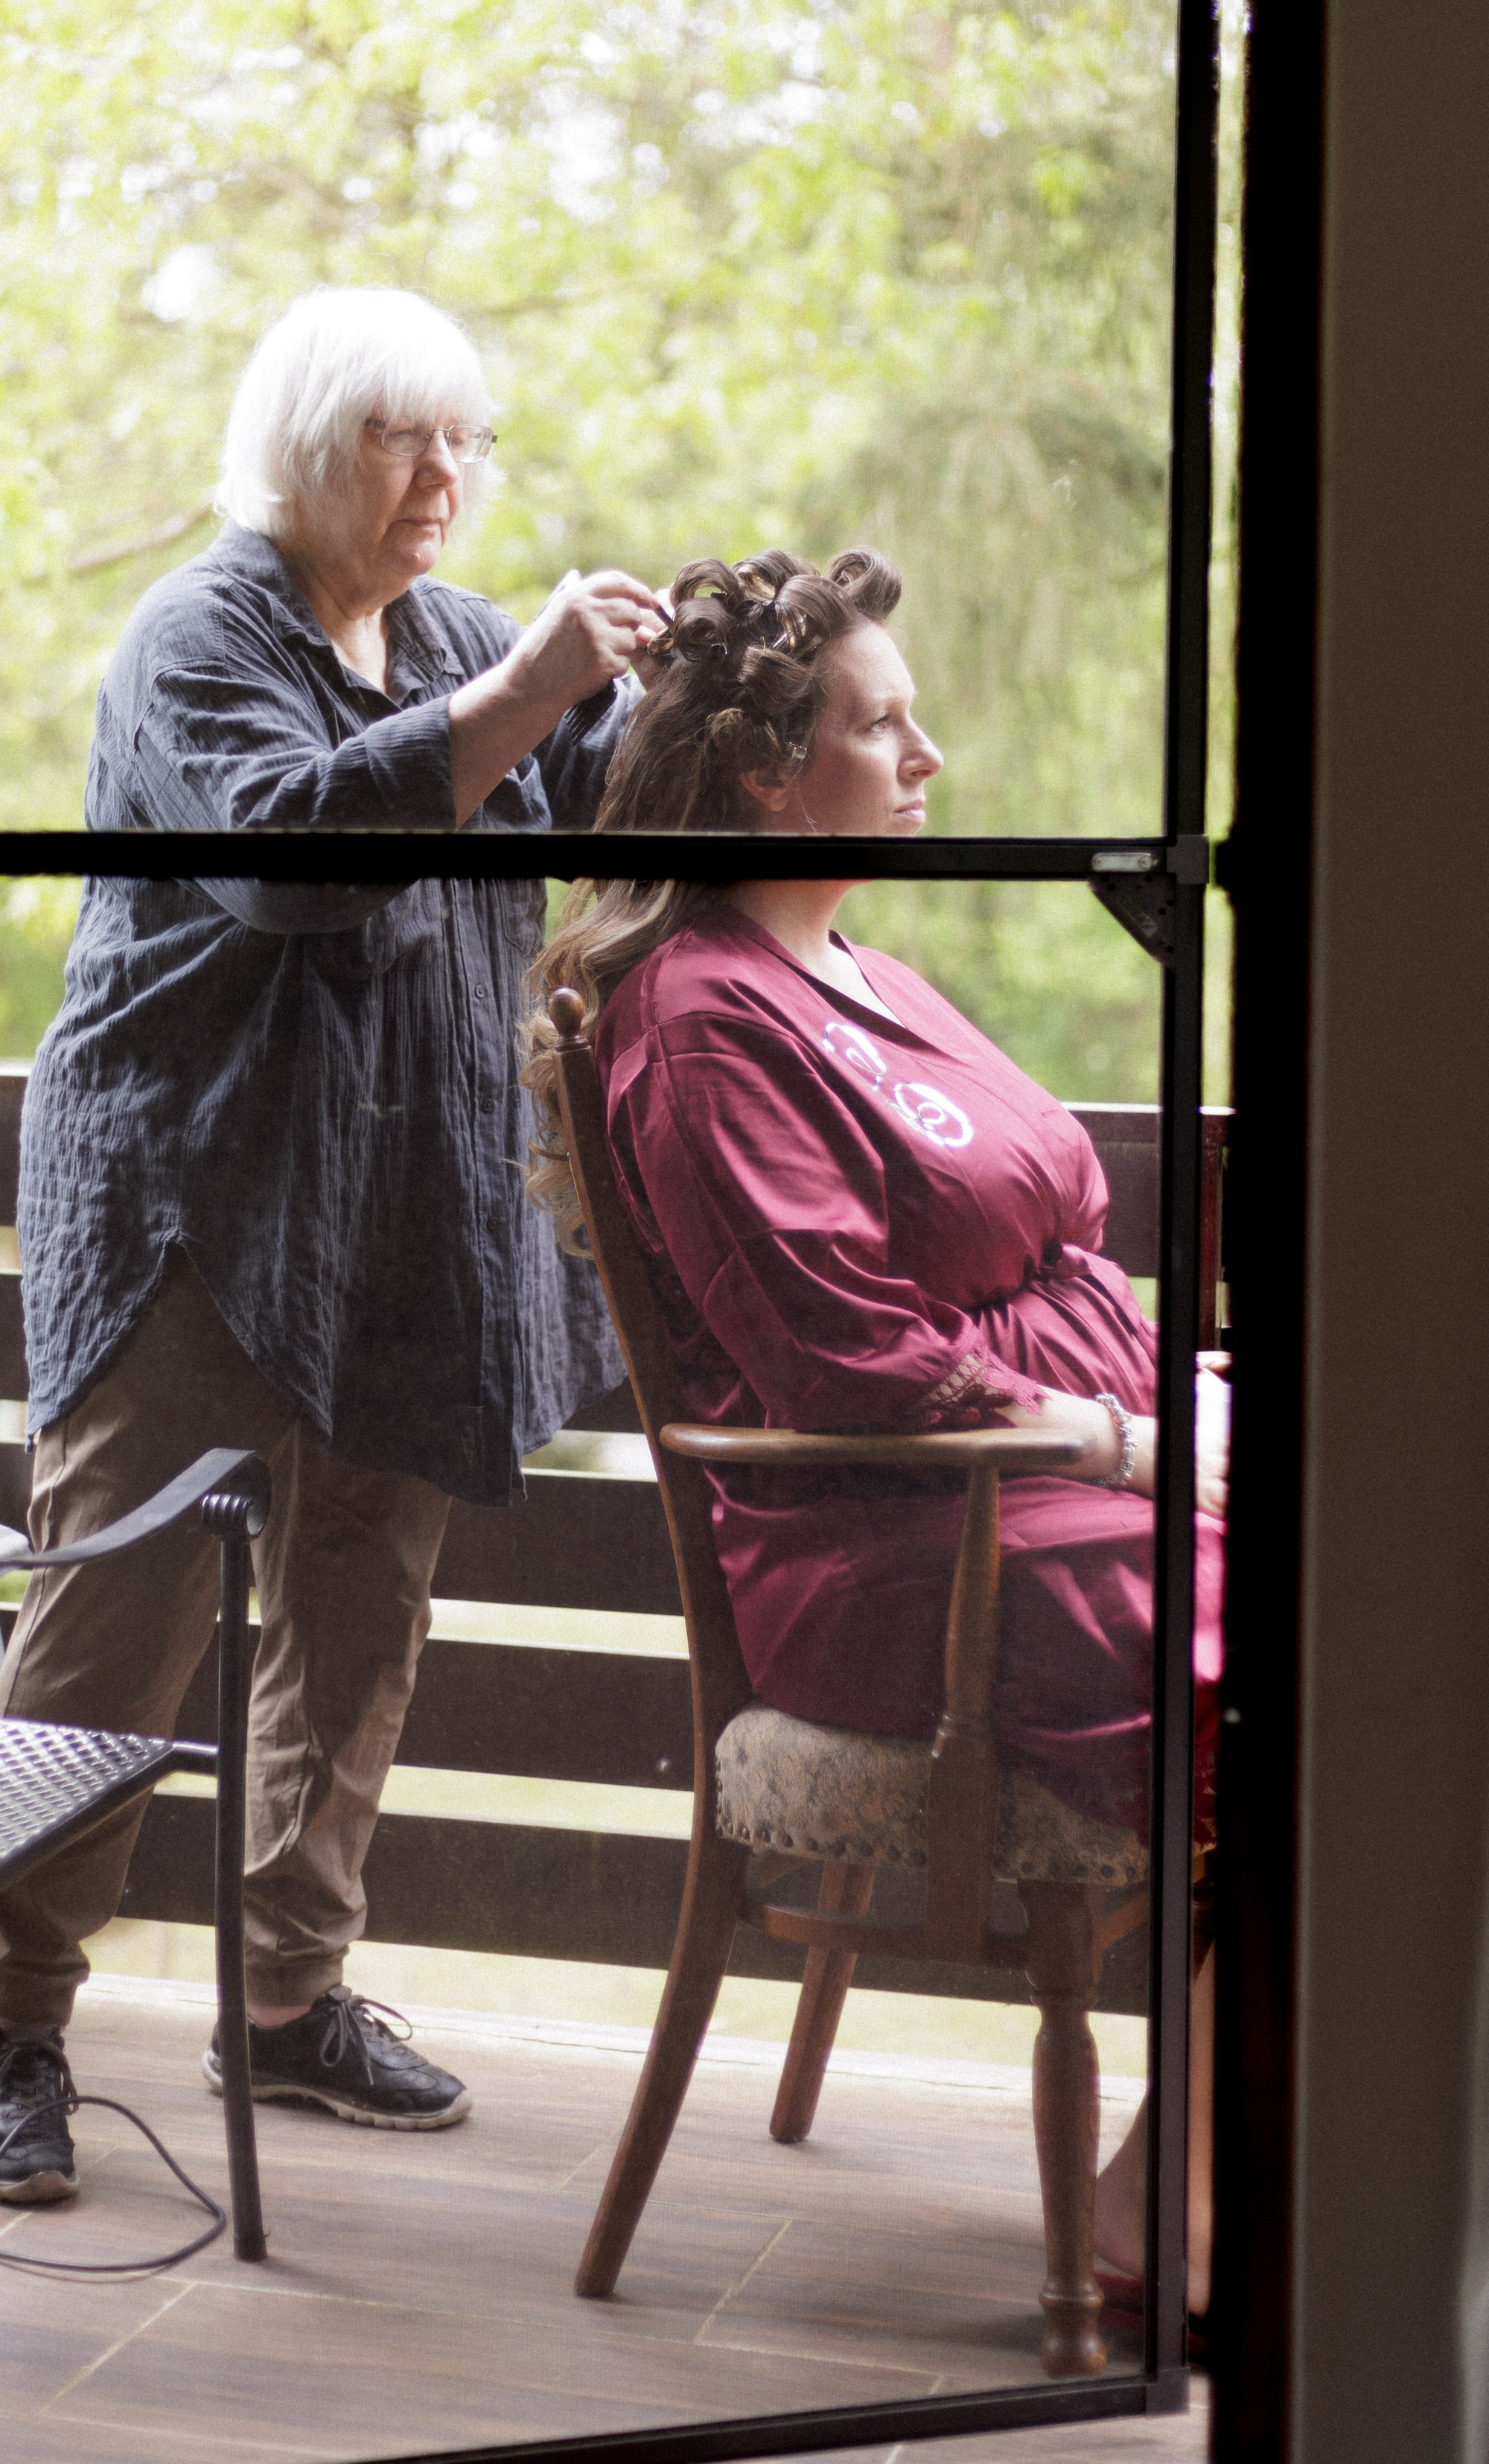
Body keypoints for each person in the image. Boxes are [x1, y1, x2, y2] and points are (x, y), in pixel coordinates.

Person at [0, 286, 666, 2202]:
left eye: (463, 440)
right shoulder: (201, 633)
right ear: (304, 444)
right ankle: (9, 2026)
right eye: (396, 437)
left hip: (410, 1222)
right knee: (116, 1629)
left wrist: (683, 702)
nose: (441, 477)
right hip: (197, 1202)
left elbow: (604, 829)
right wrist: (527, 687)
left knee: (358, 1619)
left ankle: (286, 1998)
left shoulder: (445, 636)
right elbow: (287, 854)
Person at [523, 545, 1226, 2314]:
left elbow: (1038, 1252)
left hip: (1030, 1484)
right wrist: (1139, 1447)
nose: (925, 760)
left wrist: (1175, 1391)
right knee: (1350, 1663)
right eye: (880, 725)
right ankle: (1179, 2201)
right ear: (762, 772)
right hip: (898, 1545)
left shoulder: (868, 971)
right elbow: (844, 1362)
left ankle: (1222, 2151)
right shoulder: (697, 1024)